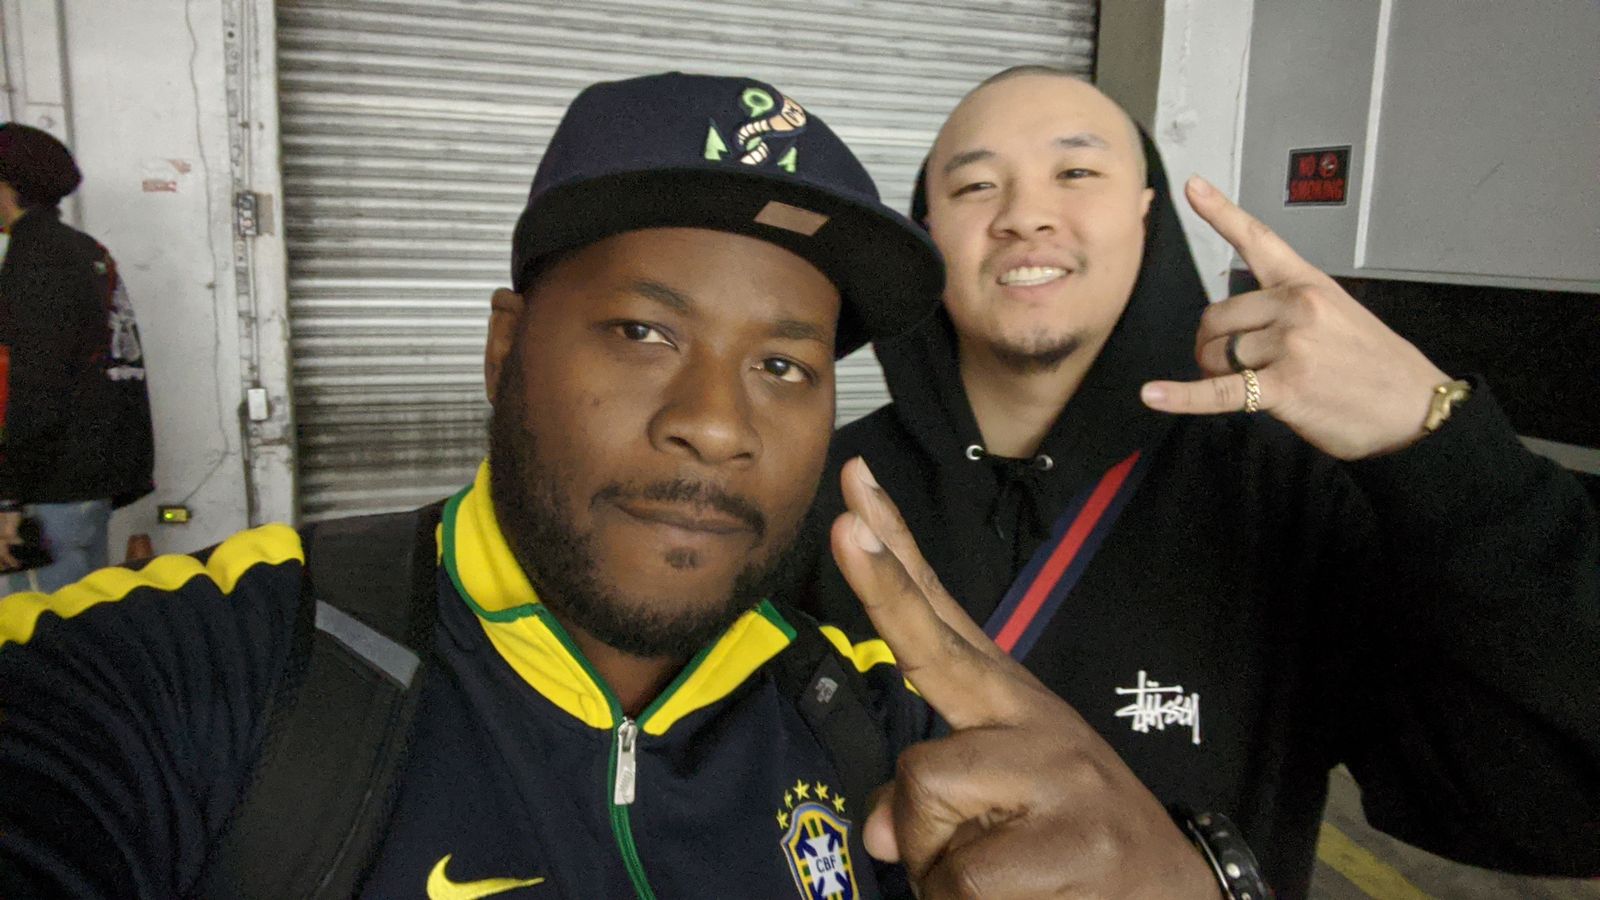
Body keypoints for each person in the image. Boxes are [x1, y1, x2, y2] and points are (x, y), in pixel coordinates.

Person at [0, 72, 1214, 900]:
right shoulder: (228, 663)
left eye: (784, 365)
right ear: (504, 347)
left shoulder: (871, 731)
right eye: (642, 332)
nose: (715, 425)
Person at [790, 66, 1600, 898]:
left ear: (1146, 212)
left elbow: (1561, 806)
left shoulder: (1285, 492)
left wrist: (1436, 444)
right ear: (929, 230)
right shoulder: (820, 486)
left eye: (1076, 171)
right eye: (975, 185)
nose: (1025, 215)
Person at [0, 123, 154, 592]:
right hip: (89, 482)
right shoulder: (85, 251)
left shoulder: (35, 257)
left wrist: (8, 498)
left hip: (48, 493)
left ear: (7, 185)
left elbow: (34, 383)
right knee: (85, 619)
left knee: (39, 628)